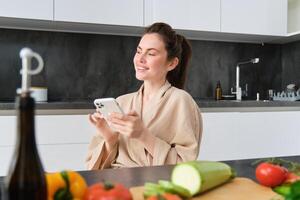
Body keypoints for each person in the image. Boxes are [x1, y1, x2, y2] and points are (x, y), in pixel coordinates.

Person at [86, 22, 203, 170]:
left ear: (172, 64)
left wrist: (143, 135)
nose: (140, 59)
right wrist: (110, 138)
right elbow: (95, 167)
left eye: (151, 53)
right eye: (139, 51)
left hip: (158, 185)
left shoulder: (181, 101)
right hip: (118, 184)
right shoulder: (122, 101)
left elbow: (186, 166)